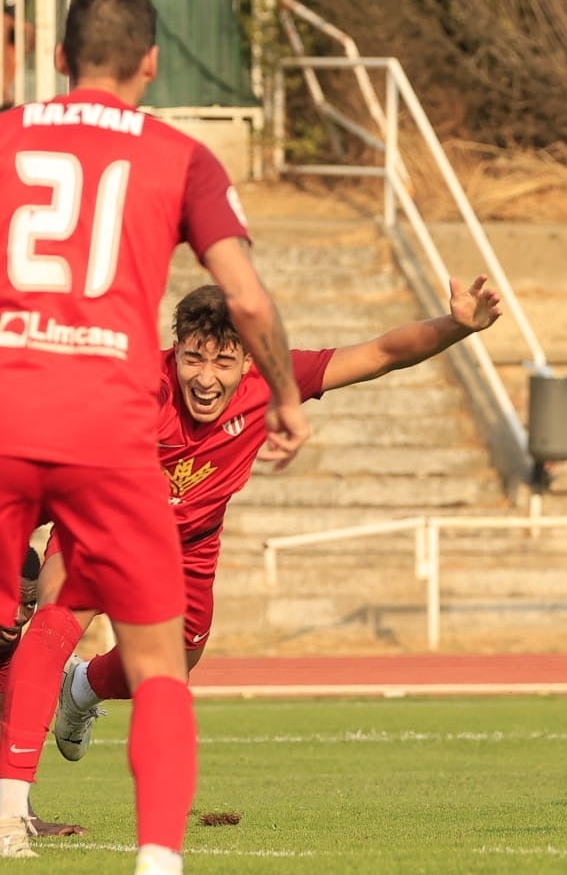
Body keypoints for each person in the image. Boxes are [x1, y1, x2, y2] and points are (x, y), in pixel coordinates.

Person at [0, 0, 311, 875]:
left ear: (58, 58)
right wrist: (285, 394)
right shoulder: (180, 157)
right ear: (150, 65)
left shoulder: (9, 132)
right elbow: (249, 303)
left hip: (7, 410)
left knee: (34, 622)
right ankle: (161, 866)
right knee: (158, 661)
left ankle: (8, 815)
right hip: (108, 432)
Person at [33, 274, 502, 761]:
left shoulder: (273, 380)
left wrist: (456, 325)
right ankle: (13, 799)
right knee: (54, 618)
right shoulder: (139, 386)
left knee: (172, 665)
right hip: (102, 524)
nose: (206, 377)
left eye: (223, 361)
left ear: (249, 359)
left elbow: (381, 353)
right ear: (175, 351)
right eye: (193, 358)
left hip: (188, 547)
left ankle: (82, 689)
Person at [0, 548, 83, 837]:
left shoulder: (6, 641)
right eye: (10, 600)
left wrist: (23, 815)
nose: (18, 617)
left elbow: (5, 729)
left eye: (29, 604)